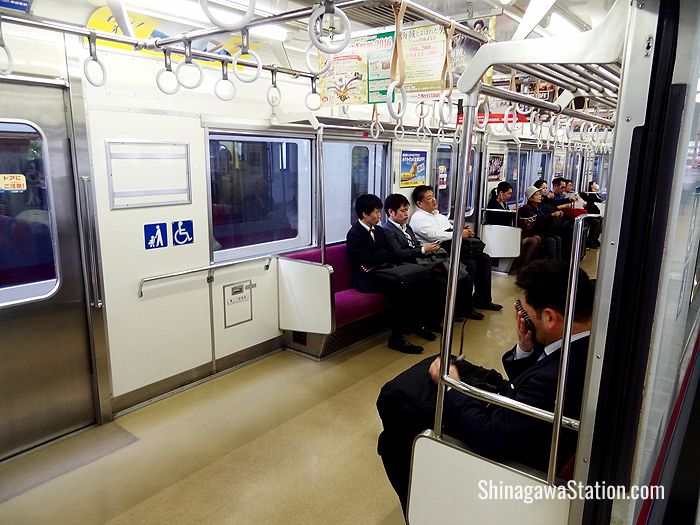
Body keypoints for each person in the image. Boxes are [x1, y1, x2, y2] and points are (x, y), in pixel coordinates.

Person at [376, 260, 594, 512]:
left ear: (549, 318)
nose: (522, 319)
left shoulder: (557, 376)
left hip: (514, 458)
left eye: (525, 314)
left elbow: (490, 436)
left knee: (395, 429)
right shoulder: (583, 347)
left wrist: (450, 387)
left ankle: (421, 508)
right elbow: (534, 383)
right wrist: (525, 349)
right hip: (523, 424)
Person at [346, 194, 430, 354]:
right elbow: (364, 259)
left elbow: (388, 254)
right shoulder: (354, 234)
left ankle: (414, 324)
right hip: (365, 279)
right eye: (376, 212)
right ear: (364, 214)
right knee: (401, 288)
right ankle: (396, 338)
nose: (379, 216)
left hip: (381, 271)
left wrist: (375, 261)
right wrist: (376, 259)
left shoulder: (378, 230)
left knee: (417, 282)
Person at [382, 193, 484, 321]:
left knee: (465, 273)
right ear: (391, 212)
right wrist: (424, 249)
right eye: (403, 211)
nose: (406, 214)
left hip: (421, 260)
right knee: (442, 281)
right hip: (409, 265)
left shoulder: (406, 227)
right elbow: (399, 254)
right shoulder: (387, 230)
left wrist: (425, 248)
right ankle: (436, 319)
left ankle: (457, 310)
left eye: (407, 210)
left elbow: (414, 244)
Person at [409, 185, 502, 311]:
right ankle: (464, 307)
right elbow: (433, 235)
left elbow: (450, 229)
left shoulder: (439, 216)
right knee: (470, 264)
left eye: (434, 196)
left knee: (485, 259)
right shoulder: (418, 218)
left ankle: (483, 300)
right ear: (419, 203)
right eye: (429, 198)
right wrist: (458, 234)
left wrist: (464, 231)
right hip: (438, 251)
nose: (434, 200)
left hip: (452, 247)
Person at [518, 185, 562, 260]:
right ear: (531, 198)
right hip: (530, 233)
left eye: (539, 194)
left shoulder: (538, 207)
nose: (539, 196)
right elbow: (537, 222)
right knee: (549, 240)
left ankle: (558, 262)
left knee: (557, 238)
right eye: (536, 195)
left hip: (539, 231)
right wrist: (551, 215)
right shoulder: (527, 208)